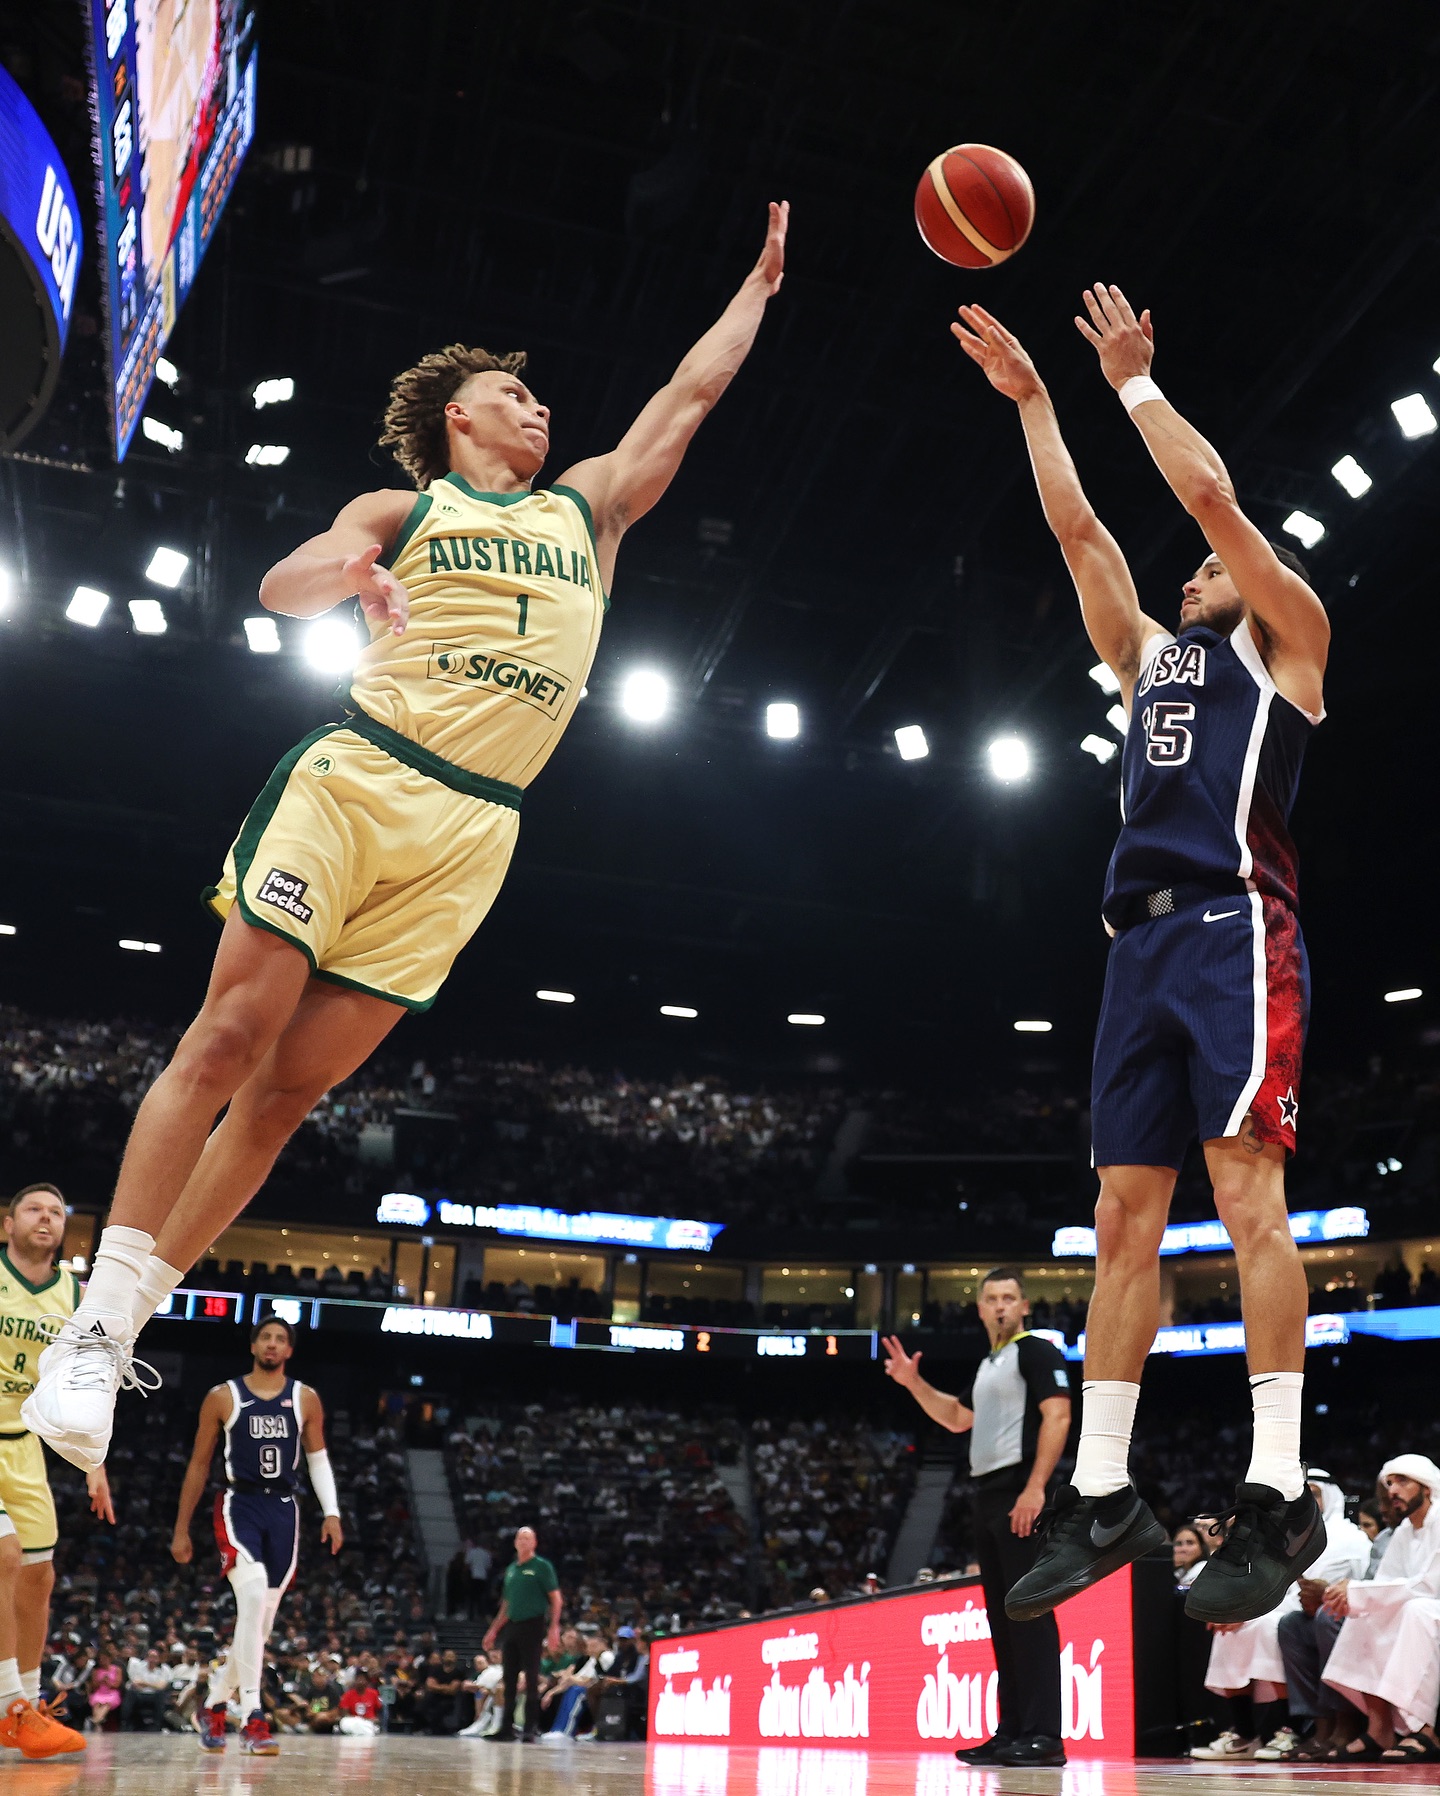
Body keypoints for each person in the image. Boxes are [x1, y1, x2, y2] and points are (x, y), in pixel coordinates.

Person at [22, 202, 791, 1478]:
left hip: (474, 832)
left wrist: (757, 290)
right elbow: (285, 579)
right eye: (514, 396)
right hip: (360, 776)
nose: (540, 414)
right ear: (461, 419)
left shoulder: (587, 512)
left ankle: (125, 1318)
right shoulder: (404, 501)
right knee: (225, 1036)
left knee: (288, 1097)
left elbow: (685, 397)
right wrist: (354, 580)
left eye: (543, 404)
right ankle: (92, 1330)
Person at [949, 294, 1330, 1627]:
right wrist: (1037, 406)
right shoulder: (1151, 663)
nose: (1189, 576)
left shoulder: (1289, 645)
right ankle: (1104, 1492)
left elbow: (1213, 498)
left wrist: (1128, 387)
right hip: (1136, 948)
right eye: (1188, 579)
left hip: (1235, 926)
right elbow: (1080, 533)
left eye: (1208, 570)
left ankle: (1281, 1484)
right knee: (1122, 1221)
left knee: (1247, 1202)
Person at [883, 1266, 1072, 1767]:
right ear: (981, 1308)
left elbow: (1059, 1415)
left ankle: (1045, 1735)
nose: (1002, 1306)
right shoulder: (991, 1364)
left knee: (1029, 1611)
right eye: (993, 1298)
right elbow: (955, 1418)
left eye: (1010, 1297)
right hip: (986, 1494)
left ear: (1025, 1305)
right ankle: (1012, 1729)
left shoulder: (1036, 1351)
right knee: (1002, 1618)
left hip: (1019, 1490)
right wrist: (912, 1381)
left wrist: (1035, 1488)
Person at [170, 1315, 344, 1756]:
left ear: (289, 1350)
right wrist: (181, 1528)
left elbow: (318, 1458)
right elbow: (198, 1464)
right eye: (264, 1337)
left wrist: (332, 1513)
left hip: (285, 1510)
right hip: (239, 1505)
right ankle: (253, 1716)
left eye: (279, 1339)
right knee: (249, 1603)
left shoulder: (305, 1398)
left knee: (258, 1627)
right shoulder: (223, 1396)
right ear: (253, 1346)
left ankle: (212, 1706)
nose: (271, 1344)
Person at [0, 1184, 108, 1760]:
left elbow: (84, 1380)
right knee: (5, 1555)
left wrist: (94, 1462)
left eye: (56, 1212)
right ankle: (7, 1706)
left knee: (37, 1575)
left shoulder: (73, 1294)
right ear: (7, 1222)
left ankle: (30, 1703)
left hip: (21, 1444)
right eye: (33, 1209)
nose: (45, 1218)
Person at [1195, 1469, 1370, 1761]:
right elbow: (1276, 1588)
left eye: (1314, 1495)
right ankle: (1244, 1733)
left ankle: (1288, 1729)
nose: (1310, 1504)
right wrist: (1241, 1613)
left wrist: (1251, 1615)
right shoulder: (1288, 1537)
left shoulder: (1349, 1538)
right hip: (1290, 1608)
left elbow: (1315, 1594)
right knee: (1230, 1627)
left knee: (1267, 1625)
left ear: (1330, 1496)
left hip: (1333, 1611)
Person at [1320, 1454, 1440, 1760]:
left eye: (1403, 1482)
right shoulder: (1403, 1531)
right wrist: (1356, 1597)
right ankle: (1379, 1729)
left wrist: (1358, 1590)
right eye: (1389, 1483)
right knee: (1364, 1613)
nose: (1393, 1490)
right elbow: (1389, 1582)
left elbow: (1428, 1586)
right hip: (1422, 1607)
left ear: (1426, 1488)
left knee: (1416, 1612)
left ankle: (1425, 1730)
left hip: (1430, 1606)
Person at [483, 1524, 562, 1742]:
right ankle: (506, 1728)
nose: (523, 1541)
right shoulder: (511, 1570)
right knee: (509, 1678)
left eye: (528, 1538)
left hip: (533, 1624)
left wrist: (554, 1626)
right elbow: (506, 1605)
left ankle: (530, 1728)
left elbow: (556, 1598)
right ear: (515, 1542)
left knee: (531, 1676)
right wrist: (493, 1631)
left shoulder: (542, 1567)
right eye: (520, 1538)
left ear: (534, 1542)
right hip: (512, 1626)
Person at [1173, 1524, 1209, 1590]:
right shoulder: (1178, 1573)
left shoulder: (1205, 1570)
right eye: (1179, 1544)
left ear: (1201, 1547)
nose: (1183, 1549)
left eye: (1190, 1543)